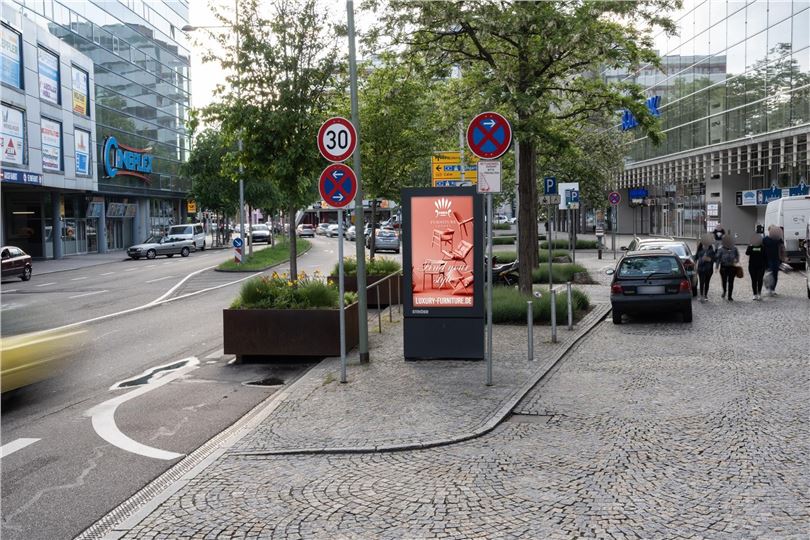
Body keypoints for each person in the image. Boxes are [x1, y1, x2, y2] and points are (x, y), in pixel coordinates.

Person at [762, 225, 785, 296]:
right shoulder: (765, 239)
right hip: (767, 259)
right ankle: (768, 287)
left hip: (776, 259)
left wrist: (783, 257)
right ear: (769, 231)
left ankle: (773, 289)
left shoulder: (778, 239)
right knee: (769, 274)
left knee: (775, 274)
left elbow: (782, 248)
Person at [716, 234, 739, 301]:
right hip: (724, 267)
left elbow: (737, 255)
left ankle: (730, 296)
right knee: (724, 281)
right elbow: (718, 258)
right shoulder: (720, 249)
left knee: (731, 282)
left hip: (732, 267)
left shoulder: (734, 248)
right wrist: (717, 267)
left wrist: (736, 260)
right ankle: (724, 291)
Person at [694, 233, 716, 302]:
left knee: (707, 282)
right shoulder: (699, 250)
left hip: (709, 270)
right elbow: (695, 258)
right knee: (701, 282)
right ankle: (701, 296)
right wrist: (695, 266)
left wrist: (709, 259)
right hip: (701, 269)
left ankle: (705, 295)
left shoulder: (711, 251)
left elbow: (715, 259)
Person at [746, 233, 767, 300]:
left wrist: (766, 265)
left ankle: (759, 293)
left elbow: (766, 255)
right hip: (752, 266)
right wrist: (750, 246)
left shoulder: (763, 246)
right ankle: (754, 294)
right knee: (754, 280)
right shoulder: (751, 246)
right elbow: (747, 253)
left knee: (760, 279)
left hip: (761, 266)